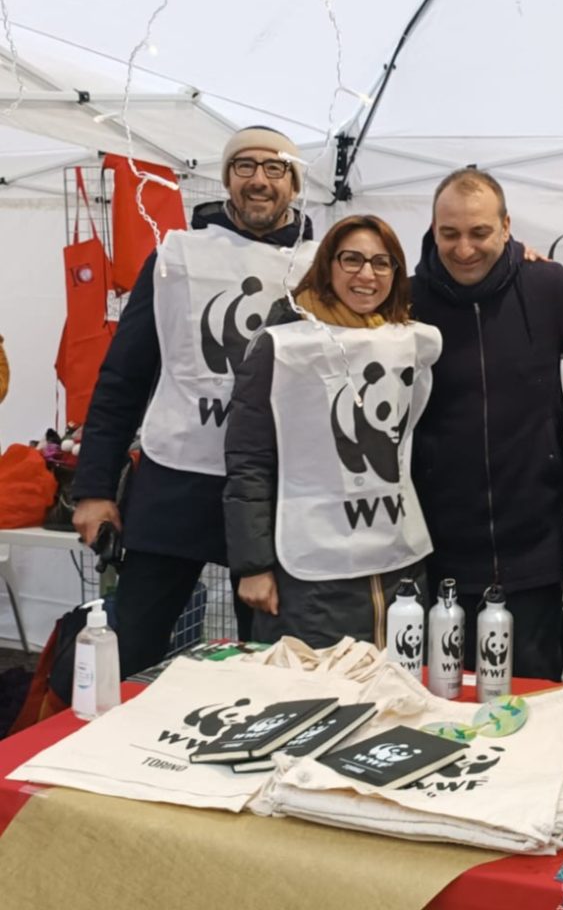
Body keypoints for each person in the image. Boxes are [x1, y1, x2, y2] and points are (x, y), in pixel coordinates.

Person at [72, 125, 314, 676]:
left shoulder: (320, 266)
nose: (259, 180)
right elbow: (123, 379)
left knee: (267, 659)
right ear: (227, 177)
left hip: (269, 494)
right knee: (129, 646)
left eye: (274, 168)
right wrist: (92, 489)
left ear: (294, 184)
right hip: (175, 480)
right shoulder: (175, 256)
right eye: (244, 166)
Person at [223, 215, 441, 647]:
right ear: (327, 265)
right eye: (352, 260)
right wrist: (252, 565)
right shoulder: (283, 347)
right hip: (311, 572)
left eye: (382, 263)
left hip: (395, 560)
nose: (367, 274)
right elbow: (248, 459)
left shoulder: (407, 342)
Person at [410, 168, 563, 681]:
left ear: (507, 227)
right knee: (440, 702)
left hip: (535, 551)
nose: (464, 249)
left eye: (479, 232)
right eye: (450, 233)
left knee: (530, 702)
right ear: (433, 230)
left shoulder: (549, 285)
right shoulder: (407, 300)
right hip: (437, 551)